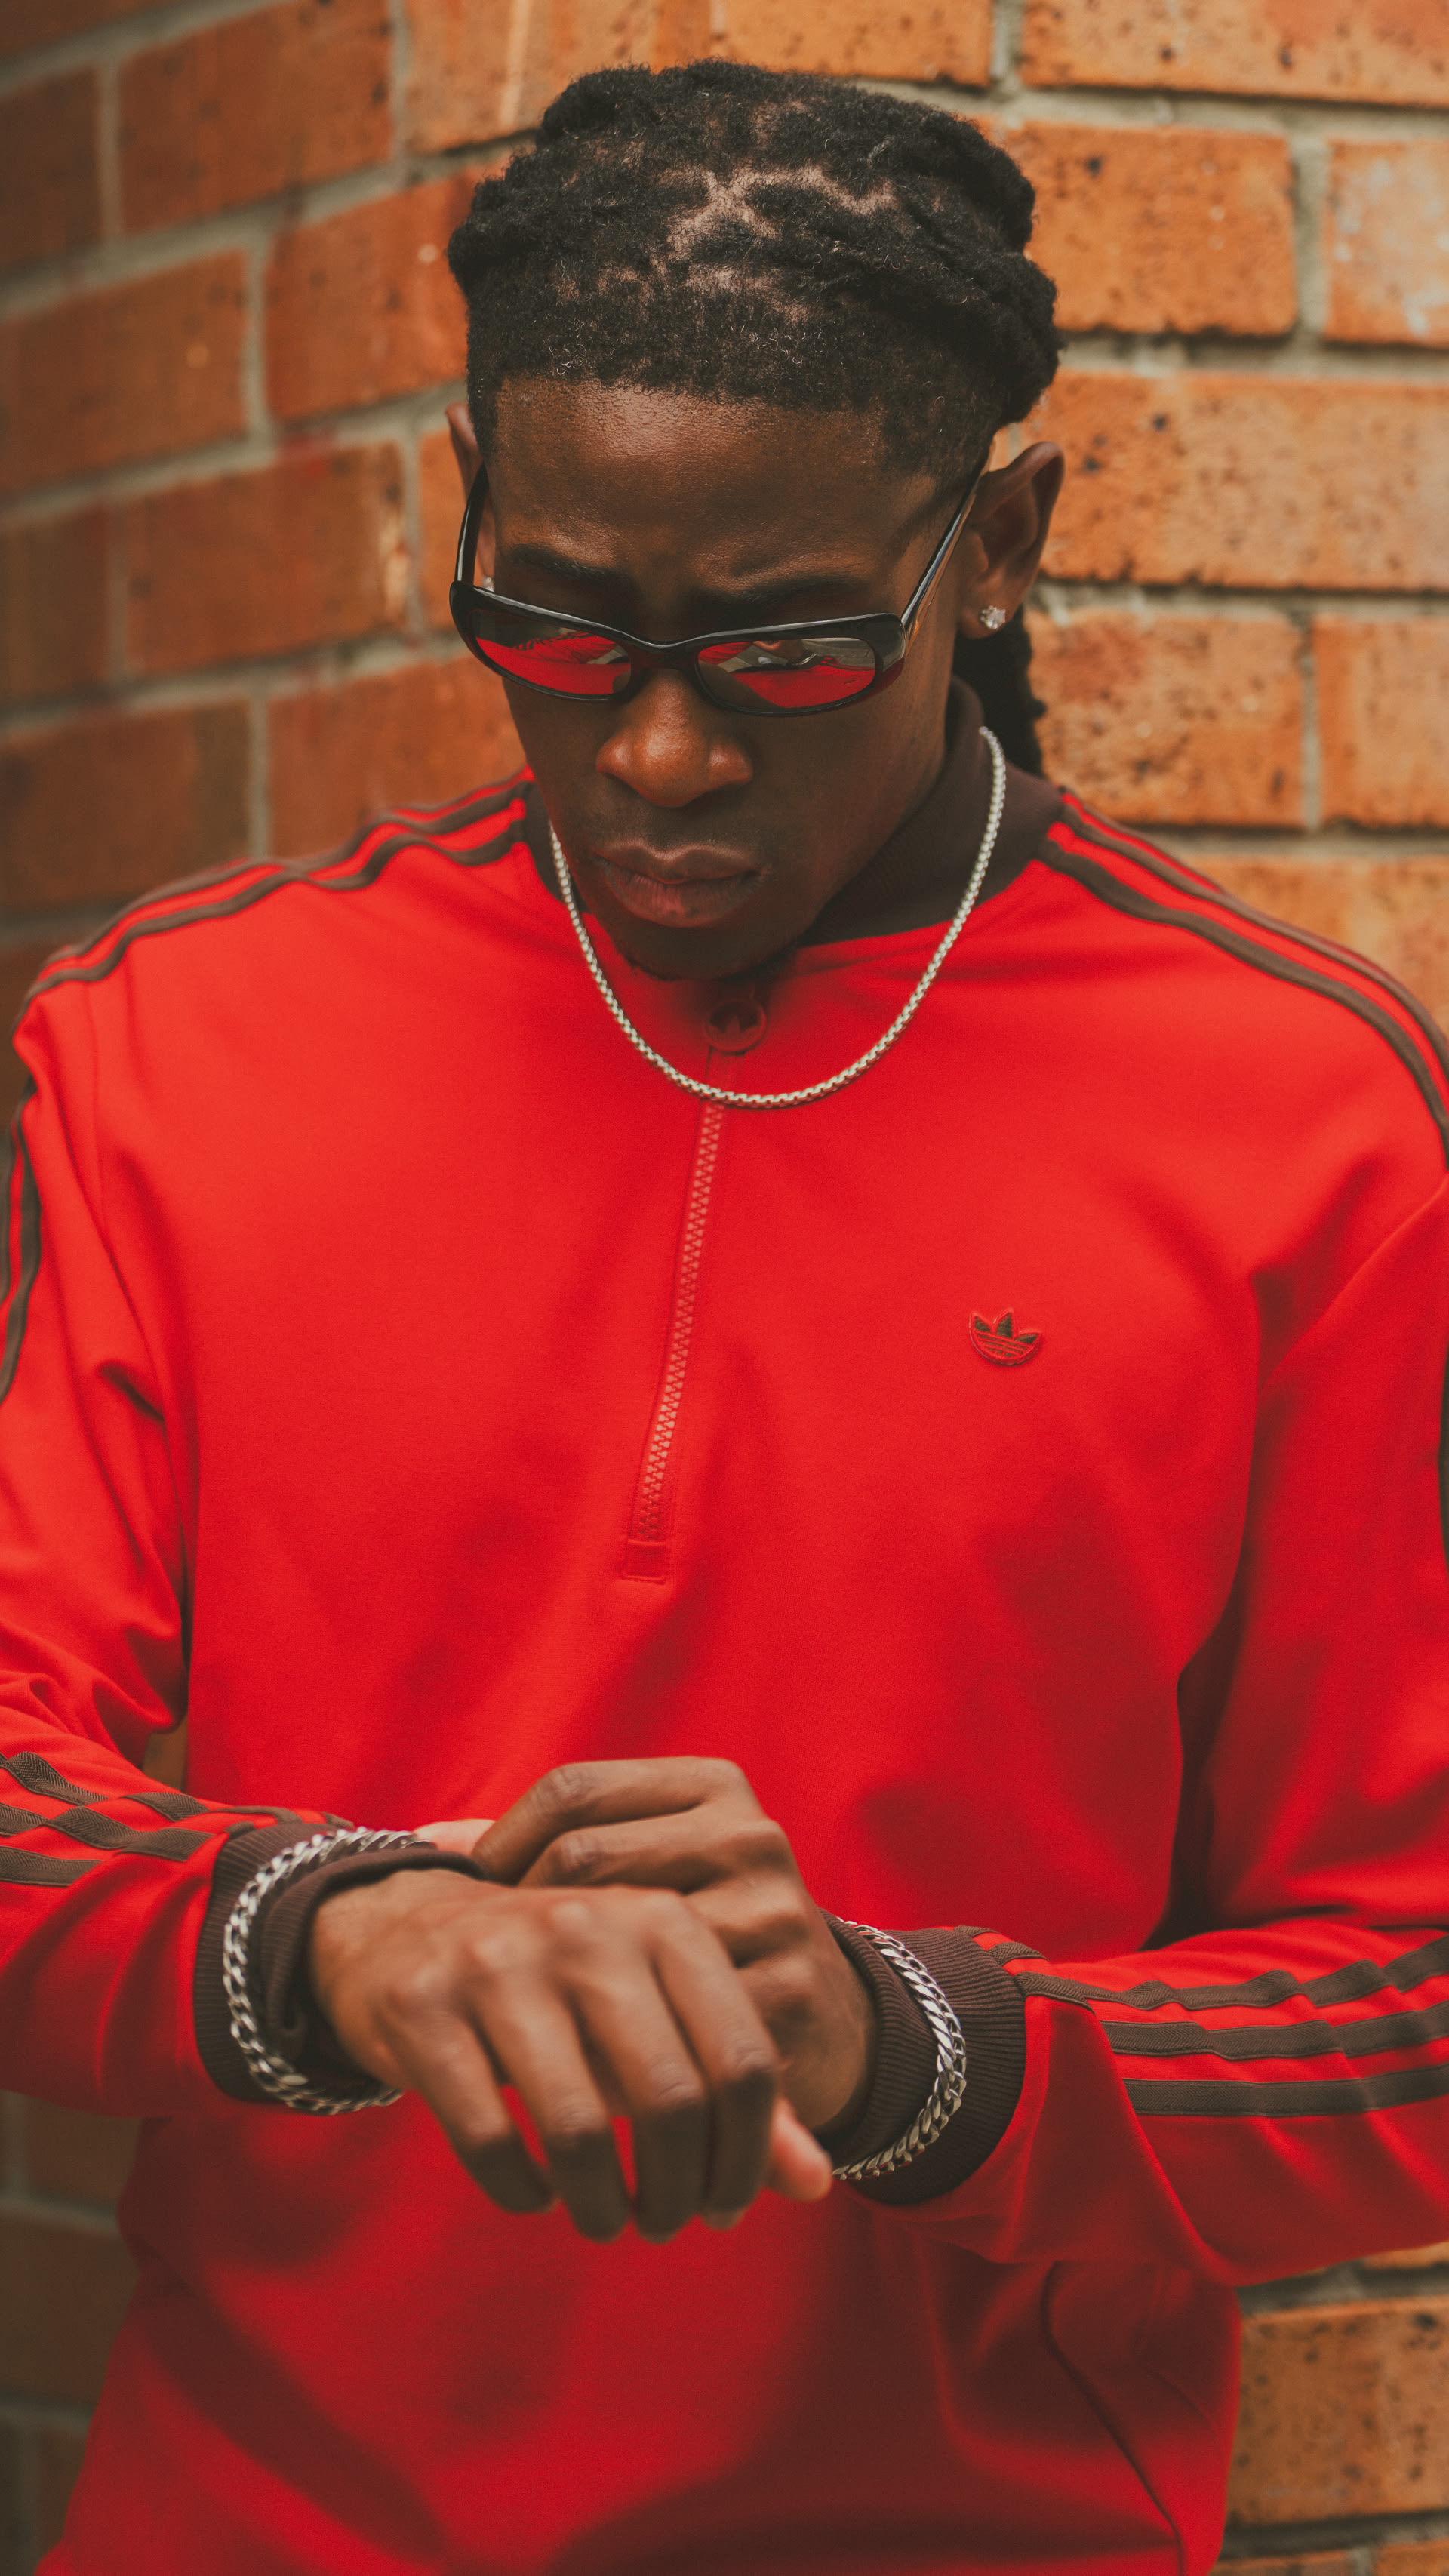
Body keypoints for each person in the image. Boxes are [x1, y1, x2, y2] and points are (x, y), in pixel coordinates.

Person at [5, 59, 1449, 2576]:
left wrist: (911, 2045)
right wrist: (331, 1932)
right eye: (553, 626)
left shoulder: (1306, 1118)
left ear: (995, 543)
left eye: (784, 645)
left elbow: (1413, 2006)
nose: (653, 751)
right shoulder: (171, 1046)